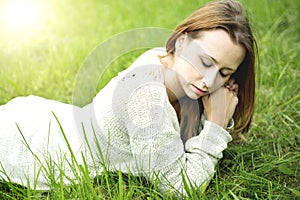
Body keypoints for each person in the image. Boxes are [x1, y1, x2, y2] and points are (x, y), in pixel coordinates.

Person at [0, 0, 256, 196]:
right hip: (32, 147)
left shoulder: (178, 69)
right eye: (205, 62)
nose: (210, 82)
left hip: (56, 119)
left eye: (224, 73)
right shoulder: (144, 97)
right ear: (180, 43)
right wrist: (215, 127)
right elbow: (179, 187)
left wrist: (217, 114)